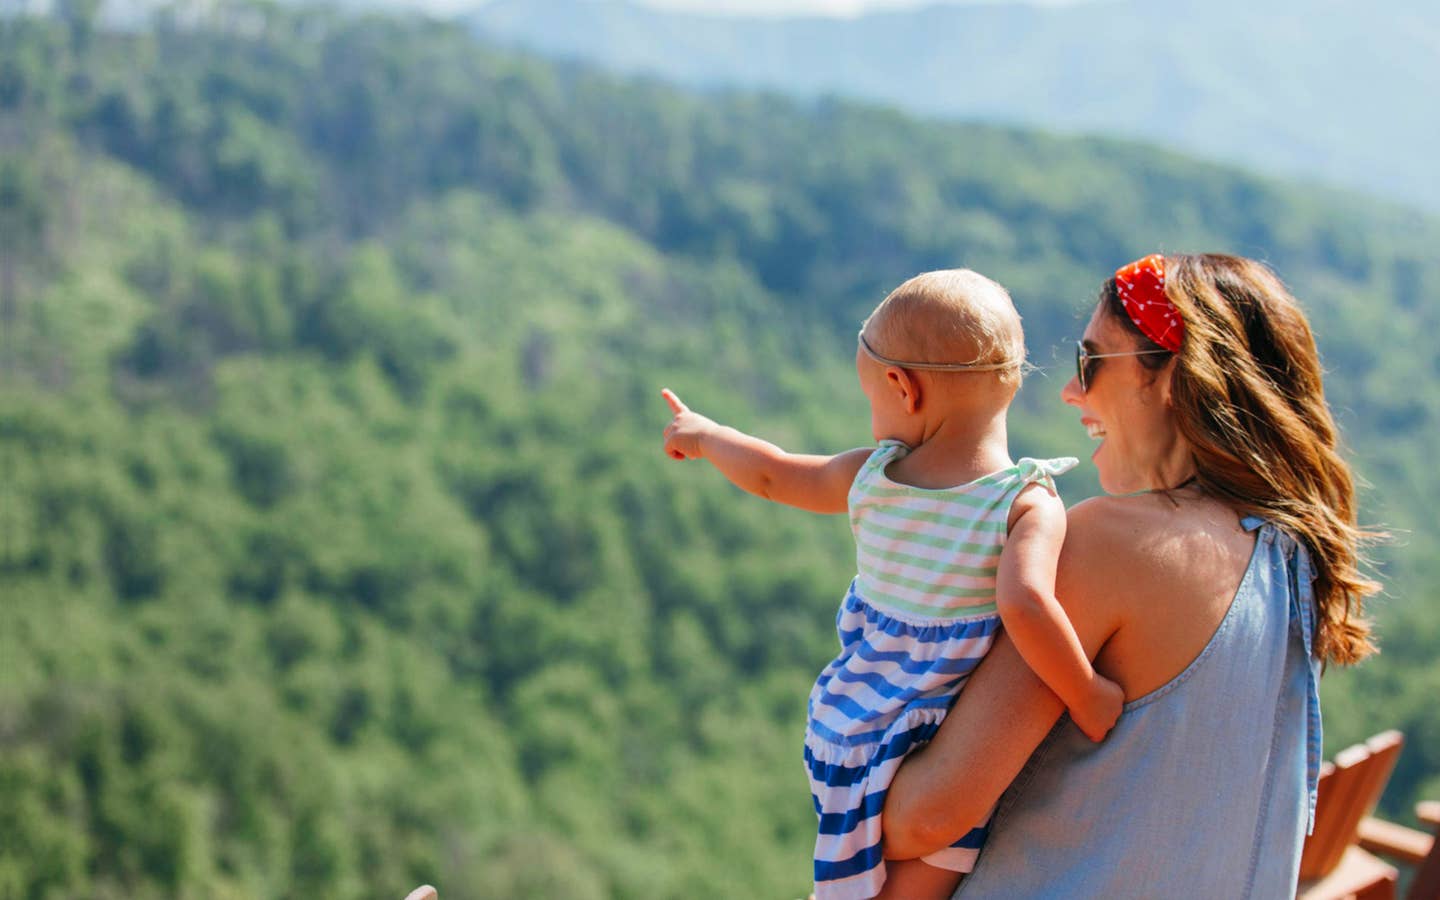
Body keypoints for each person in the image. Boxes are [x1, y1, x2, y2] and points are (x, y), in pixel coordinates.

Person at [880, 253, 1382, 897]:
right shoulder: (1293, 559)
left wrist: (844, 760)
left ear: (1171, 375)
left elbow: (929, 816)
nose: (1070, 391)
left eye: (1091, 362)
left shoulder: (1111, 543)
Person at [660, 269, 1124, 900]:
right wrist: (1088, 693)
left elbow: (772, 474)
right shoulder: (1024, 504)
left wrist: (708, 437)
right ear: (1012, 381)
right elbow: (1025, 604)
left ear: (902, 390)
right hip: (933, 728)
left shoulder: (871, 476)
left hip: (852, 724)